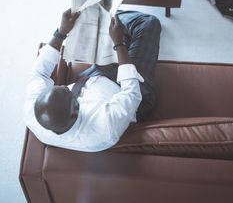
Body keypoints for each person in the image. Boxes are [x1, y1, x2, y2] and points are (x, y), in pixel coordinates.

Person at [24, 8, 161, 152]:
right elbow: (131, 92)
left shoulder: (31, 114)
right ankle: (119, 27)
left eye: (62, 87)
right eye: (69, 92)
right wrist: (119, 44)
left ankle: (110, 13)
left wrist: (61, 33)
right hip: (131, 91)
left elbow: (38, 73)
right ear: (76, 111)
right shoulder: (105, 127)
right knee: (148, 23)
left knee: (104, 20)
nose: (66, 87)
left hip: (93, 77)